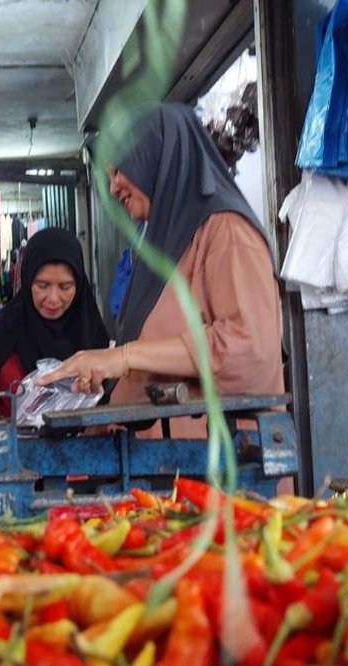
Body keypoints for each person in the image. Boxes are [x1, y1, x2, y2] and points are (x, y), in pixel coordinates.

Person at [40, 103, 283, 438]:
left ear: (156, 157)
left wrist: (124, 358)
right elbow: (162, 353)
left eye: (119, 170)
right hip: (165, 466)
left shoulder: (226, 231)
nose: (113, 187)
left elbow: (249, 349)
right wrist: (108, 378)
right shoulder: (163, 244)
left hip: (221, 471)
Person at [0, 227, 111, 421]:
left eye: (65, 287)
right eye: (42, 285)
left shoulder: (93, 334)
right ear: (27, 280)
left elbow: (109, 405)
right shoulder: (0, 335)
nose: (53, 298)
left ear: (79, 285)